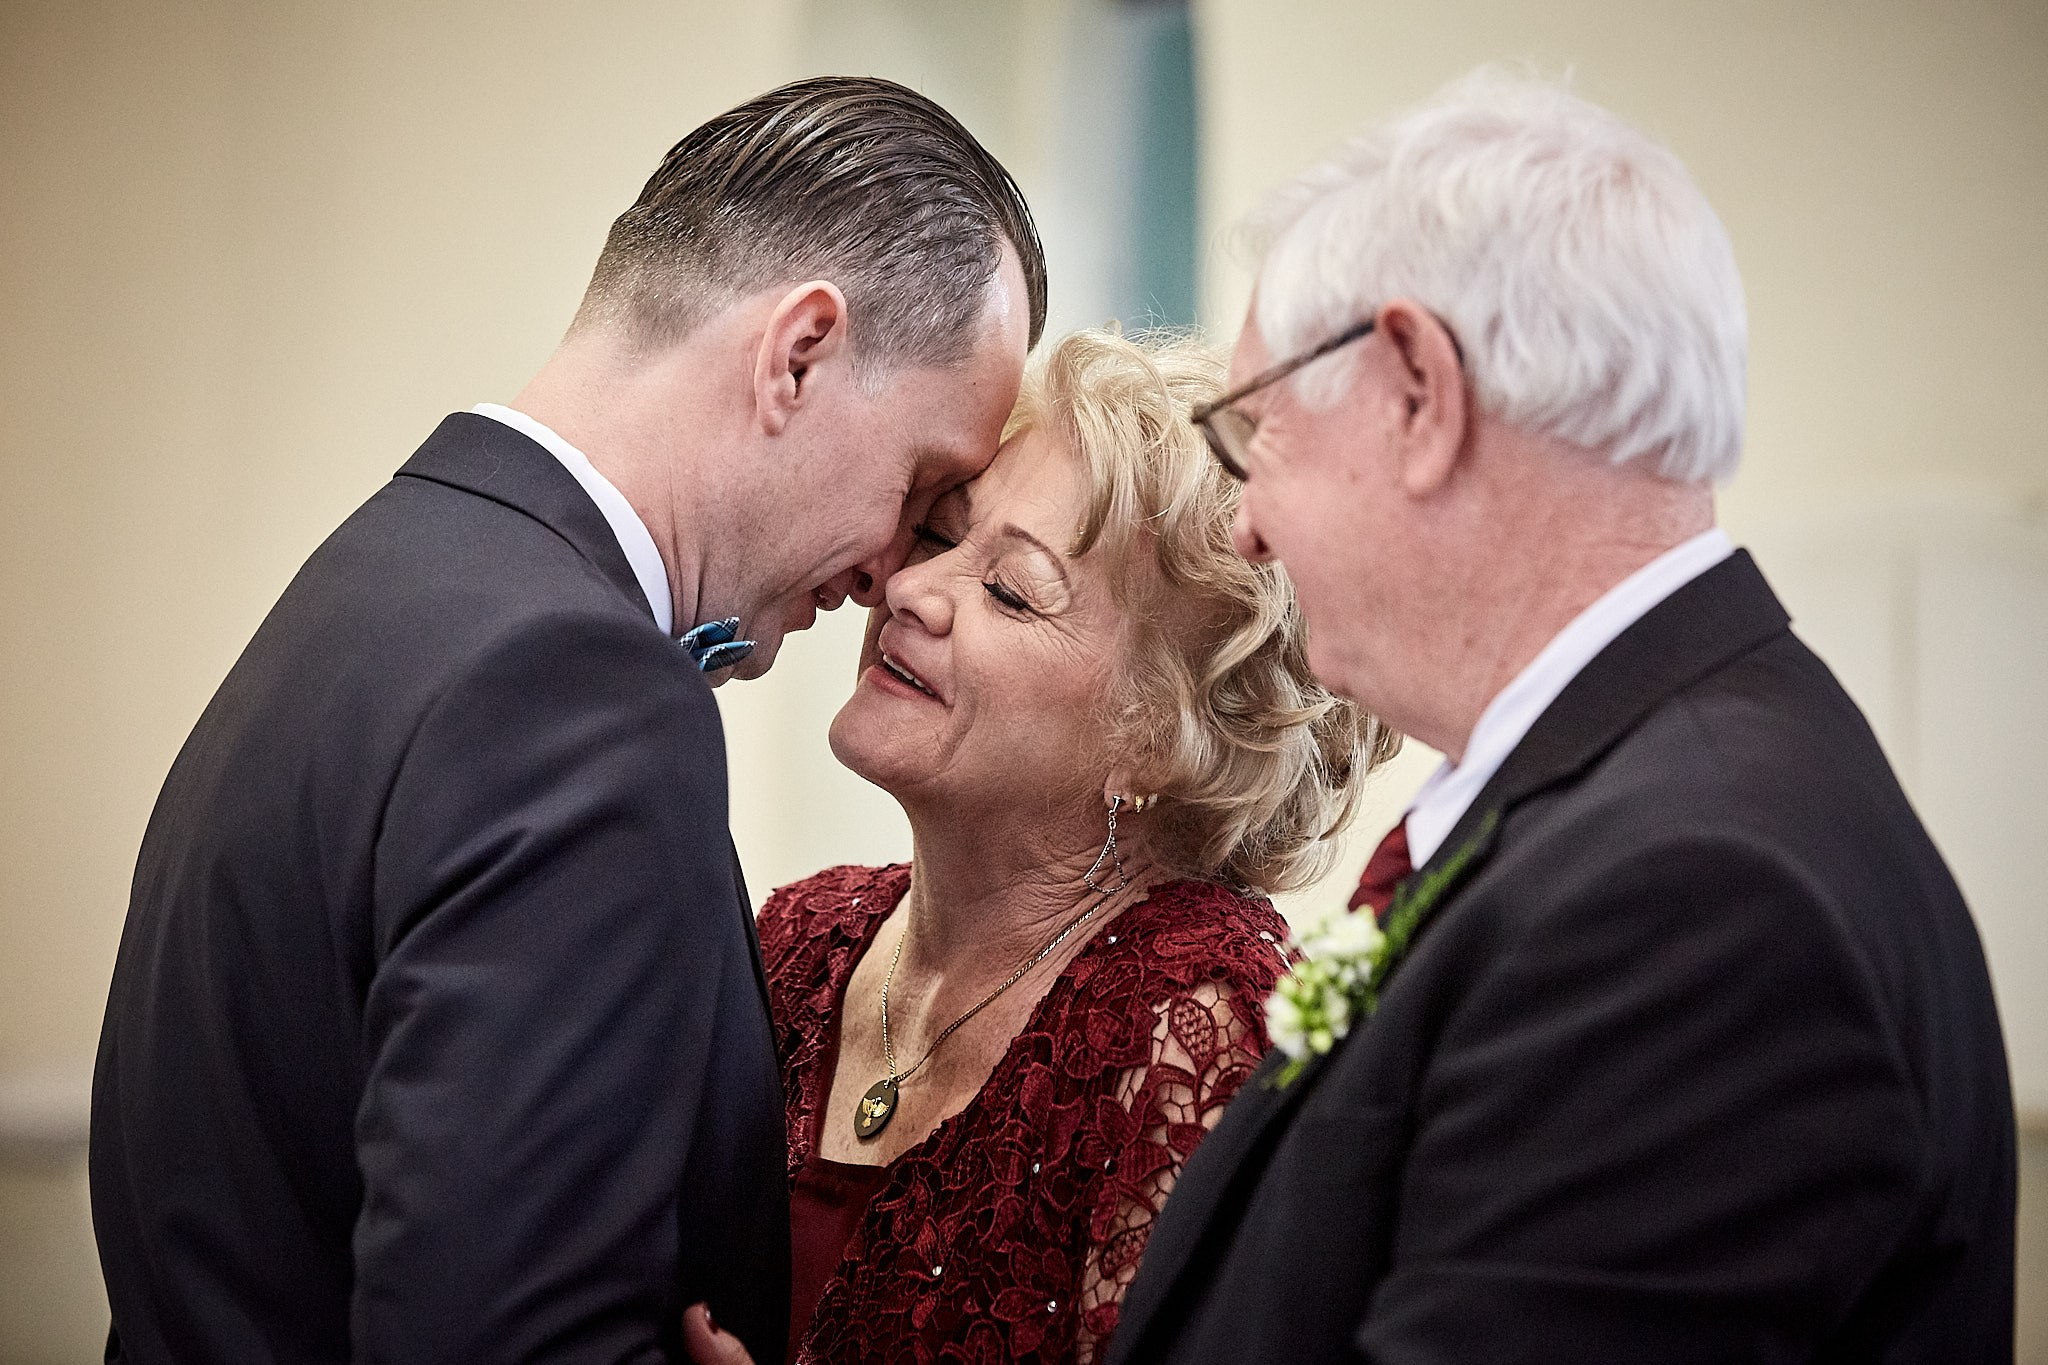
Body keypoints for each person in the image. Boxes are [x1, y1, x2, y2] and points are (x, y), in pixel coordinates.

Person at [90, 76, 1045, 1365]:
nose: (889, 569)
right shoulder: (580, 692)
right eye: (921, 483)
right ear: (798, 353)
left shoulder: (378, 575)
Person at [1108, 71, 2016, 1364]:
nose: (1246, 522)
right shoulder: (1658, 793)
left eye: (1259, 436)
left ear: (1418, 392)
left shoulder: (1695, 899)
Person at [678, 330, 1397, 1365]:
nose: (910, 591)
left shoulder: (1195, 1030)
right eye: (938, 535)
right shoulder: (801, 936)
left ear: (1160, 737)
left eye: (1010, 591)